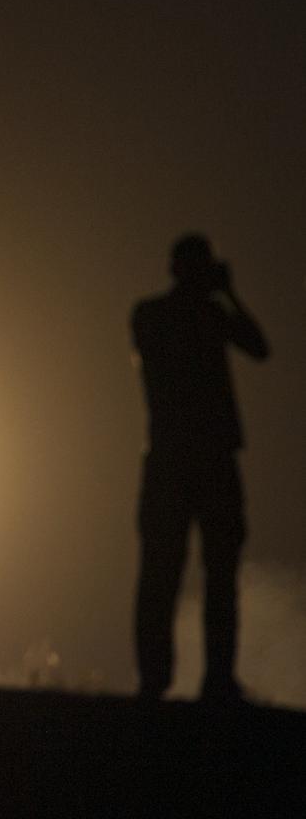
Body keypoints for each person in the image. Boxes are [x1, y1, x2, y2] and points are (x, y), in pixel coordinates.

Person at [130, 235, 269, 701]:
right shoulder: (159, 315)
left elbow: (260, 348)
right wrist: (224, 296)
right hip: (192, 458)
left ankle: (205, 680)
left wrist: (225, 298)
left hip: (189, 459)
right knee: (171, 573)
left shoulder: (171, 314)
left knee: (201, 572)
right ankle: (165, 680)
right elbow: (258, 346)